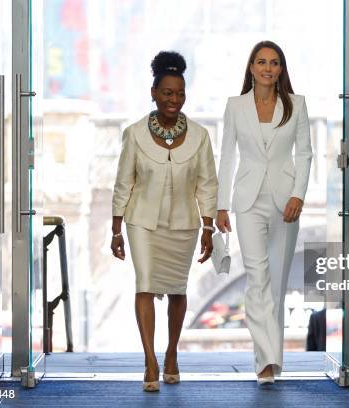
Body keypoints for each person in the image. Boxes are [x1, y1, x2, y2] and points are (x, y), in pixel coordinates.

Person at [110, 51, 218, 392]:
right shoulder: (134, 134)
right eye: (168, 93)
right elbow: (123, 182)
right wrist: (116, 230)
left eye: (180, 94)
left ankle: (171, 352)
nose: (174, 99)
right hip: (141, 222)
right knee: (144, 283)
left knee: (178, 289)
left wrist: (208, 227)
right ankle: (150, 360)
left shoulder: (200, 136)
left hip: (184, 224)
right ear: (154, 93)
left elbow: (207, 183)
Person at [216, 40, 312, 384]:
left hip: (286, 201)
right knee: (256, 278)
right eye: (261, 62)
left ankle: (272, 359)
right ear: (252, 67)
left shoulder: (296, 105)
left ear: (281, 69)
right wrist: (220, 204)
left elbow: (305, 154)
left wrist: (299, 195)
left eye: (274, 63)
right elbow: (227, 155)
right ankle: (266, 362)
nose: (268, 68)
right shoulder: (235, 106)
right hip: (247, 200)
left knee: (276, 285)